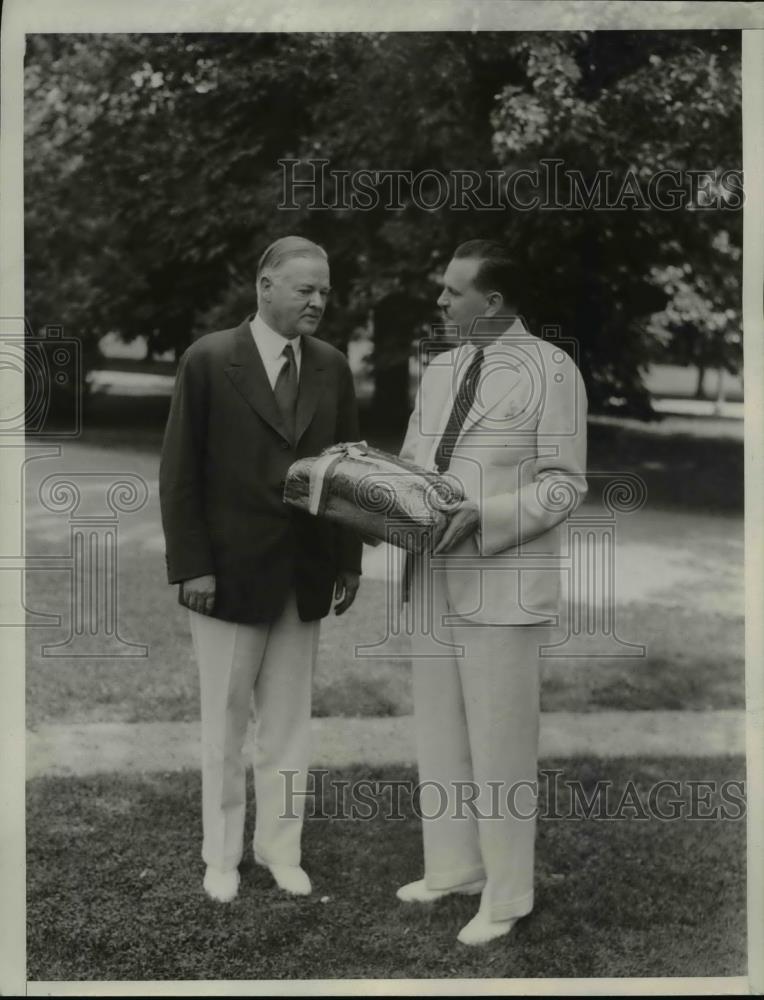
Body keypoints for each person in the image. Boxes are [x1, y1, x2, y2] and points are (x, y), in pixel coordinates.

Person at [159, 236, 362, 903]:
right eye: (304, 288)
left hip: (304, 574)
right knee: (223, 722)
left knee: (288, 723)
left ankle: (281, 850)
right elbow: (180, 472)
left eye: (325, 291)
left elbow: (348, 473)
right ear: (265, 285)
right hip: (225, 574)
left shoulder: (332, 366)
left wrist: (347, 561)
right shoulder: (210, 359)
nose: (317, 301)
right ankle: (221, 856)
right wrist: (193, 565)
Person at [396, 239, 588, 945]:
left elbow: (564, 481)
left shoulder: (552, 369)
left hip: (503, 579)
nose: (440, 303)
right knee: (440, 726)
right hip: (431, 573)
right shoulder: (441, 370)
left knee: (501, 741)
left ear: (494, 302)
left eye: (453, 292)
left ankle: (507, 895)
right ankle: (453, 868)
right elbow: (416, 463)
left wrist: (491, 516)